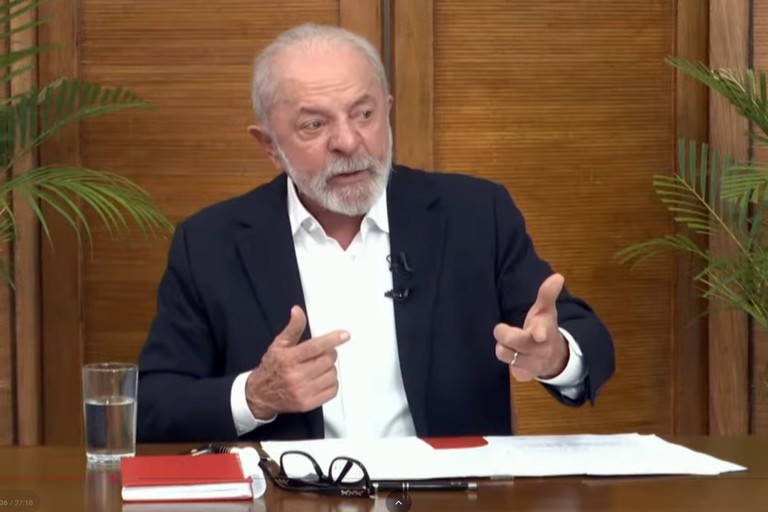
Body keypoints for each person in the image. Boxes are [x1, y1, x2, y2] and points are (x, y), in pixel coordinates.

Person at [136, 23, 615, 443]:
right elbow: (153, 404)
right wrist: (255, 395)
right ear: (270, 146)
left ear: (387, 110)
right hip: (290, 498)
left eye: (364, 114)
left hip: (449, 498)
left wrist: (556, 355)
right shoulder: (211, 244)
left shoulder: (475, 214)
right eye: (314, 124)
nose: (348, 141)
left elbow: (588, 340)